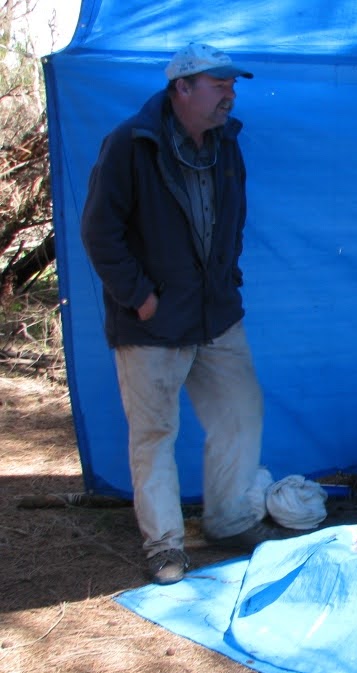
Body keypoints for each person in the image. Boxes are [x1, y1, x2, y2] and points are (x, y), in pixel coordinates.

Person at [81, 43, 300, 586]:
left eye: (233, 83)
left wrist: (227, 278)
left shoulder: (227, 145)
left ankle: (227, 522)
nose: (230, 92)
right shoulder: (130, 145)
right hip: (152, 321)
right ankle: (165, 546)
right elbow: (98, 232)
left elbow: (234, 219)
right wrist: (139, 297)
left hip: (215, 314)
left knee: (240, 413)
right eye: (219, 82)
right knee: (154, 433)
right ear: (182, 87)